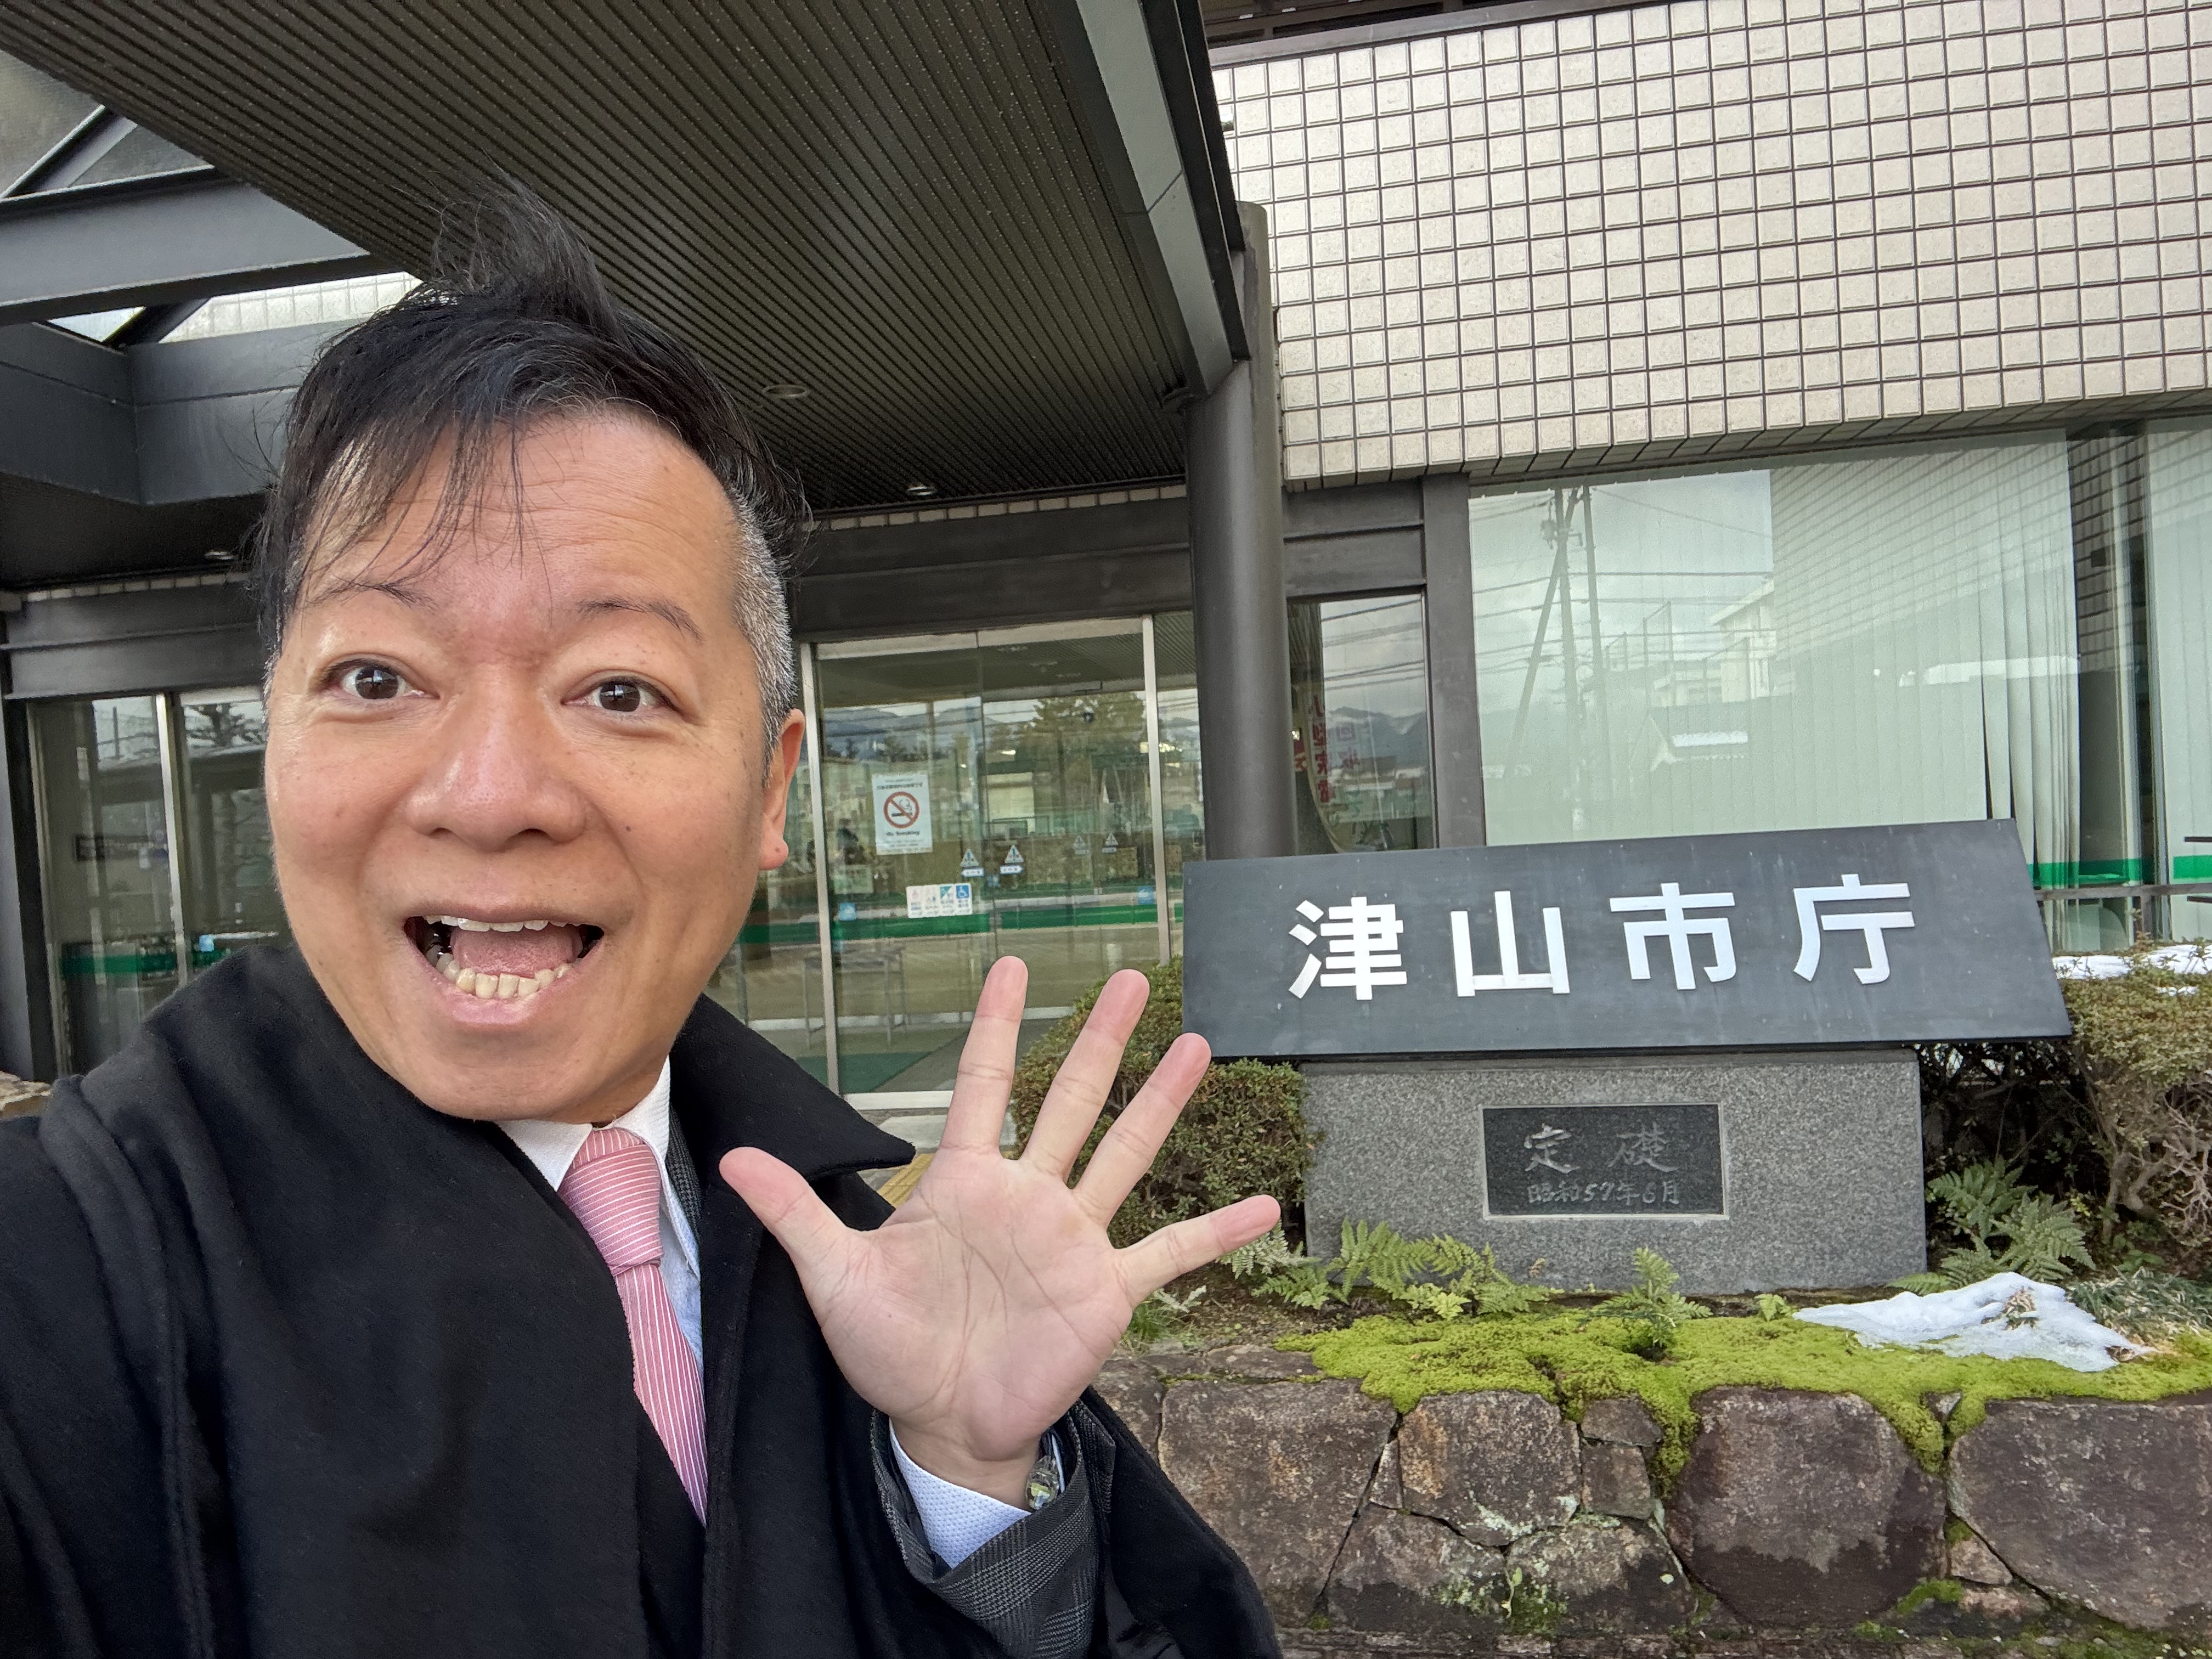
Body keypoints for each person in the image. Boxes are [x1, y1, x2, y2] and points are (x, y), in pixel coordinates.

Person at [0, 193, 1281, 1659]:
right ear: (276, 730)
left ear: (770, 787)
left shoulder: (854, 1257)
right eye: (377, 678)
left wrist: (970, 1480)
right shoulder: (58, 1279)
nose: (493, 797)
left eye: (620, 690)